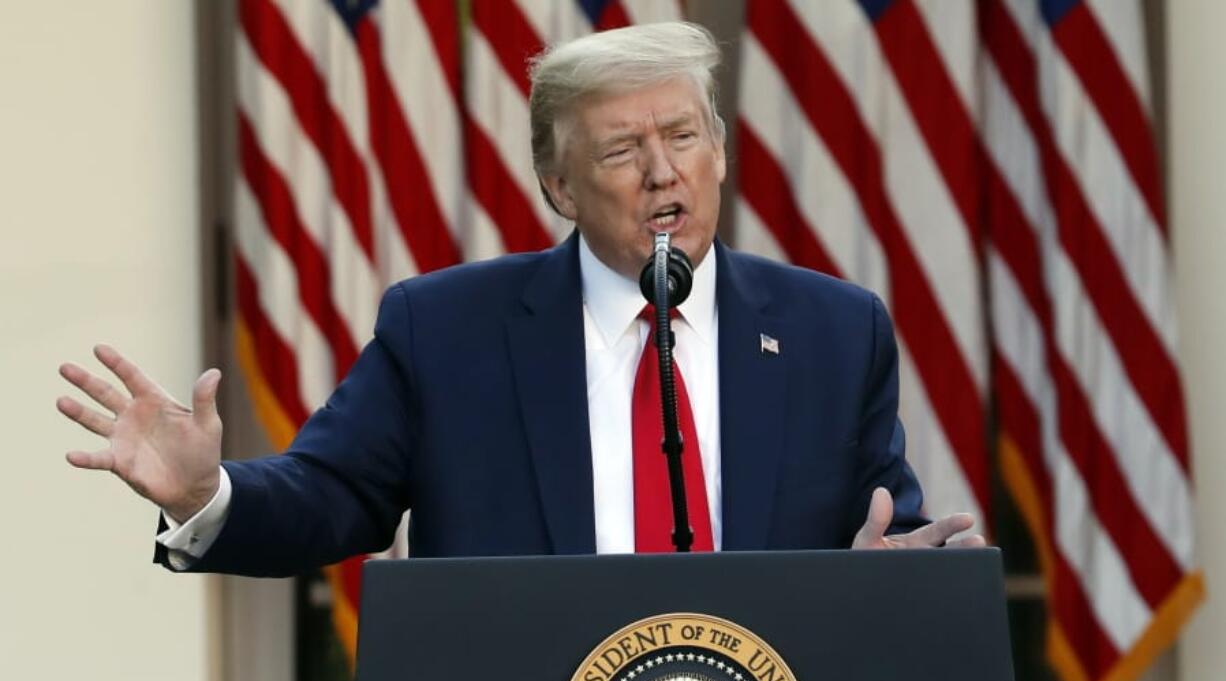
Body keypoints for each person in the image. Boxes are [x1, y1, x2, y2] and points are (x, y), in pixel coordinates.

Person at [56, 22, 983, 575]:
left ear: (722, 151)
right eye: (623, 151)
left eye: (684, 136)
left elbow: (884, 531)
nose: (664, 173)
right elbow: (332, 494)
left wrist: (902, 581)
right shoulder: (446, 330)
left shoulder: (833, 329)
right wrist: (206, 494)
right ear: (560, 186)